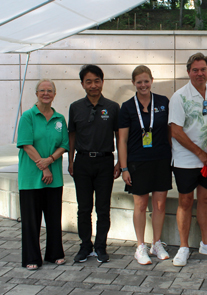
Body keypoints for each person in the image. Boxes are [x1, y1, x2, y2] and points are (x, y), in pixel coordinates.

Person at [168, 52, 207, 266]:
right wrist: (200, 153)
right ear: (188, 72)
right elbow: (176, 131)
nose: (199, 73)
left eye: (203, 69)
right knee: (185, 201)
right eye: (195, 70)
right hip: (186, 160)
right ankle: (183, 247)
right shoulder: (179, 97)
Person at [118, 65, 172, 265]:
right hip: (137, 162)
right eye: (139, 82)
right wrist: (124, 168)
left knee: (159, 204)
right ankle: (140, 246)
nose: (143, 85)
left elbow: (169, 131)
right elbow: (122, 140)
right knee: (140, 205)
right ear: (134, 83)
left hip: (161, 159)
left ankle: (156, 243)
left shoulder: (163, 102)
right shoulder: (127, 107)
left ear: (152, 80)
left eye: (146, 81)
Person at [68, 65, 121, 263]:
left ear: (102, 82)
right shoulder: (75, 107)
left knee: (103, 208)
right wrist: (71, 159)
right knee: (83, 208)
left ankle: (100, 246)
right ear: (82, 84)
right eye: (88, 81)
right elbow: (71, 135)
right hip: (82, 162)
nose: (93, 85)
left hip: (105, 162)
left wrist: (119, 163)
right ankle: (85, 246)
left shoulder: (113, 107)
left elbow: (119, 136)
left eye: (96, 81)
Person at [17, 79, 69, 270]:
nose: (46, 93)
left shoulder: (60, 119)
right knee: (31, 221)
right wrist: (44, 166)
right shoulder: (28, 116)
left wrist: (50, 161)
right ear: (36, 93)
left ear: (55, 94)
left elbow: (64, 144)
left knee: (54, 218)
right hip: (31, 178)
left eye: (50, 91)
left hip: (54, 178)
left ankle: (55, 253)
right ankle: (32, 257)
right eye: (42, 90)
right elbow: (26, 143)